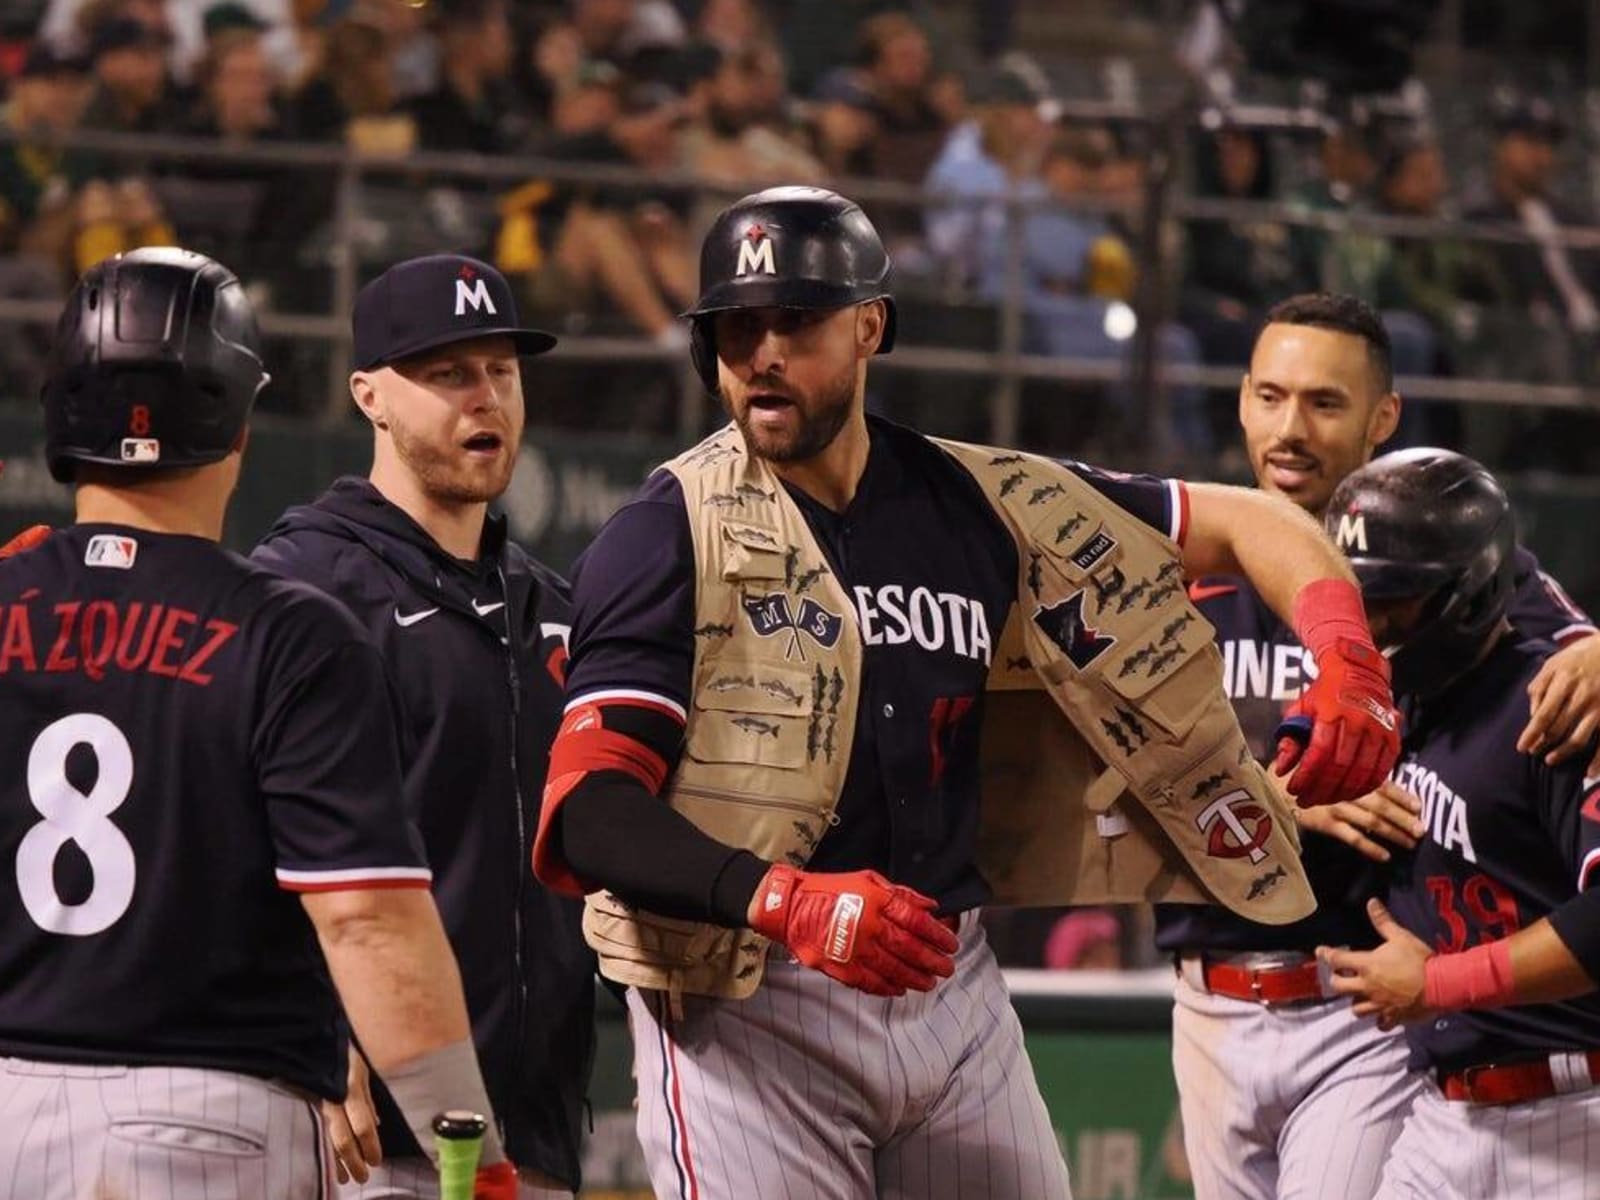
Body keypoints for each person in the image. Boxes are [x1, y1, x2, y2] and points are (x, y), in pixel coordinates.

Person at [531, 185, 1401, 1199]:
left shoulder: (975, 499)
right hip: (744, 998)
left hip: (949, 983)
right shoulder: (666, 533)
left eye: (795, 322)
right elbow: (586, 813)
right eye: (735, 327)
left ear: (869, 328)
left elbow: (1254, 521)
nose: (761, 352)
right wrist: (783, 899)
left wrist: (1348, 657)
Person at [0, 247, 515, 1199]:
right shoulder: (288, 629)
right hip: (205, 1115)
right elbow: (366, 924)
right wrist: (471, 1159)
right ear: (238, 425)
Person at [1162, 292, 1600, 1200]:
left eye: (1325, 403)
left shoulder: (1444, 554)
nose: (1292, 429)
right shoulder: (1177, 563)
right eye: (1272, 397)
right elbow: (1096, 777)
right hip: (1205, 997)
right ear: (1241, 400)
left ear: (1381, 420)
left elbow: (1566, 654)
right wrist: (1274, 796)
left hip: (1363, 1004)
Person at [253, 255, 595, 1200]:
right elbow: (221, 835)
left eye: (503, 371)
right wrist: (311, 1026)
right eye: (448, 374)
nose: (485, 398)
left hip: (535, 1136)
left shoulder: (551, 606)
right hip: (366, 1136)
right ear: (370, 394)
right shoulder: (304, 587)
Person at [1314, 448, 1600, 1198]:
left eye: (1392, 604)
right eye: (1356, 601)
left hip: (1576, 1115)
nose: (1369, 627)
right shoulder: (1392, 701)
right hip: (1445, 1117)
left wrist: (1437, 984)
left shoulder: (1560, 702)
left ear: (1466, 594)